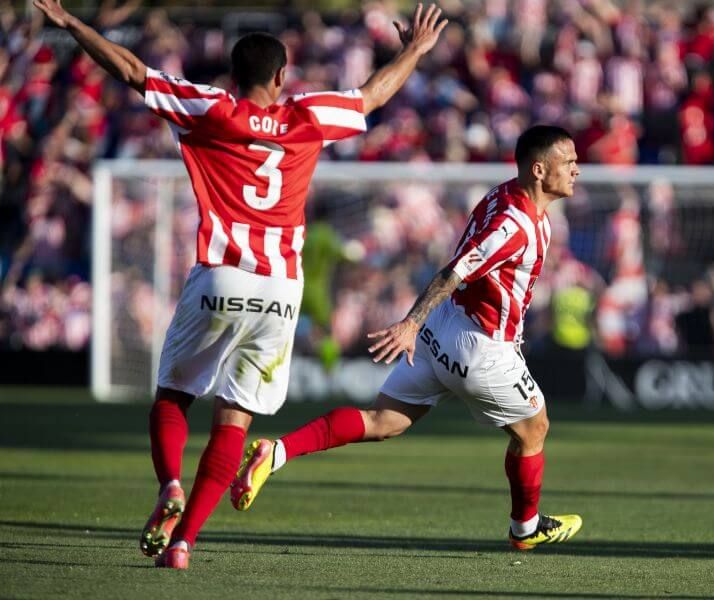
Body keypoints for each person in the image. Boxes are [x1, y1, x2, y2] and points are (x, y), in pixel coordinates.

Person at [33, 0, 448, 569]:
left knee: (174, 395)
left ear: (233, 76)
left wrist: (73, 24)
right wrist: (414, 51)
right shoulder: (306, 113)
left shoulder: (210, 108)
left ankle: (169, 487)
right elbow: (374, 95)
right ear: (281, 77)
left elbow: (130, 70)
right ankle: (184, 545)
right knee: (236, 416)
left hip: (219, 275)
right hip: (279, 289)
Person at [232, 125, 584, 550]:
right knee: (535, 429)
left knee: (383, 422)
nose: (577, 170)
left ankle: (277, 452)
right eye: (569, 162)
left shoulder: (506, 195)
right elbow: (454, 271)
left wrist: (423, 325)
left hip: (446, 329)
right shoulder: (515, 226)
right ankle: (525, 529)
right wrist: (411, 322)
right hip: (480, 345)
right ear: (540, 169)